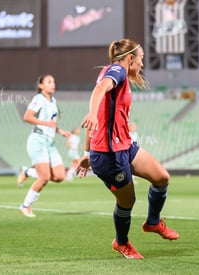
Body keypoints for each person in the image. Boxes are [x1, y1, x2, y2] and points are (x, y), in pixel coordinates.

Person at [76, 38, 179, 259]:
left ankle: (153, 223)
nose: (142, 64)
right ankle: (121, 242)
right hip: (109, 155)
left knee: (161, 177)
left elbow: (100, 109)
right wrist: (92, 117)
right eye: (141, 59)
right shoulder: (117, 71)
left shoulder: (112, 72)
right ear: (130, 58)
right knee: (127, 202)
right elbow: (99, 94)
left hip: (125, 145)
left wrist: (86, 153)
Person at [17, 74, 71, 217]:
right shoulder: (38, 99)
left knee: (60, 176)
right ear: (41, 86)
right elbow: (27, 117)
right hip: (38, 141)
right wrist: (47, 124)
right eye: (48, 82)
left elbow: (51, 122)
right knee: (44, 178)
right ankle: (25, 206)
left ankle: (27, 172)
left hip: (50, 143)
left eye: (53, 81)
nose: (52, 84)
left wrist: (60, 131)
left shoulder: (53, 100)